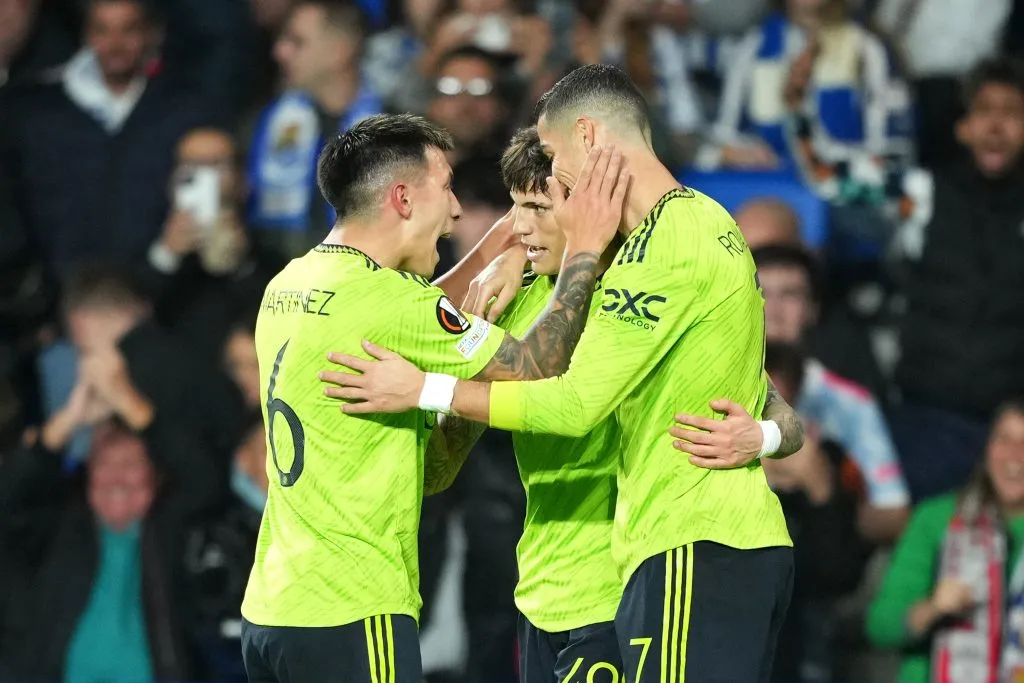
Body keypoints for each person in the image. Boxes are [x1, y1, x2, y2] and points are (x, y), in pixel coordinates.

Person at [322, 65, 801, 683]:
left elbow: (580, 402)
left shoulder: (661, 253)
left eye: (541, 203)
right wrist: (502, 247)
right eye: (515, 208)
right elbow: (438, 447)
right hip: (552, 593)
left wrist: (763, 435)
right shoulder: (530, 297)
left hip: (650, 568)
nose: (524, 223)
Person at [239, 113, 629, 682]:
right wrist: (584, 251)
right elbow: (535, 367)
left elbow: (433, 467)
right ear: (402, 198)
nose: (454, 212)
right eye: (446, 188)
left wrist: (502, 241)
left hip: (273, 610)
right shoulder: (392, 304)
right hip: (351, 610)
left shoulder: (290, 285)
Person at [867, 400, 1024, 683]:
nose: (1016, 456)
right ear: (987, 448)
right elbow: (881, 625)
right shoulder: (936, 518)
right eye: (1005, 439)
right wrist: (933, 609)